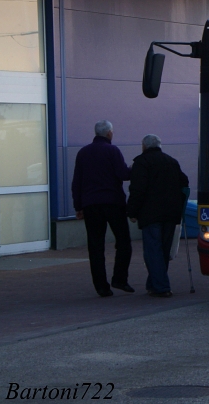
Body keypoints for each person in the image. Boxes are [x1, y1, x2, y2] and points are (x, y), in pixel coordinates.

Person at [72, 120, 133, 297]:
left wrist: (78, 205)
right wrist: (134, 169)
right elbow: (123, 174)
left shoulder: (83, 153)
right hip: (113, 203)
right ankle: (119, 278)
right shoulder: (112, 151)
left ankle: (101, 286)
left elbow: (77, 182)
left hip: (91, 205)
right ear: (109, 134)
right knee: (123, 242)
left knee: (96, 246)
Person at [127, 134, 189, 298]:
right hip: (171, 214)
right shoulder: (171, 161)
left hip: (151, 214)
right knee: (163, 249)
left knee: (153, 250)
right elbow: (185, 182)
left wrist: (132, 211)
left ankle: (161, 286)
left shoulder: (141, 163)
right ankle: (153, 284)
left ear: (144, 146)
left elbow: (137, 190)